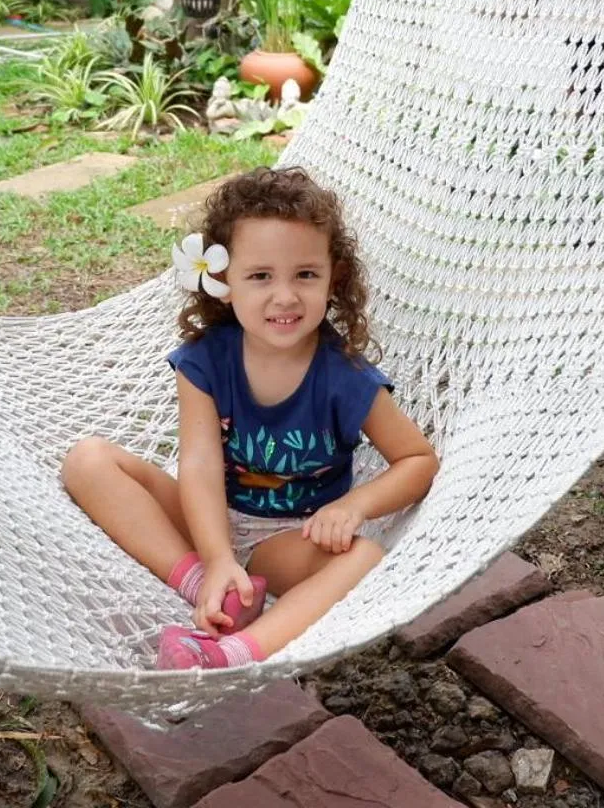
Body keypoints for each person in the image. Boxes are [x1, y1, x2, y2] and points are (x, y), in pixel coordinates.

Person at [61, 167, 439, 669]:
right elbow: (198, 463)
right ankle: (211, 586)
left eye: (305, 275)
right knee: (88, 460)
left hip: (289, 539)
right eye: (261, 276)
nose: (285, 296)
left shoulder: (346, 379)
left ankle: (232, 651)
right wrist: (217, 558)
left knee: (366, 557)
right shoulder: (205, 361)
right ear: (224, 282)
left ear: (334, 278)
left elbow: (417, 460)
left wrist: (356, 506)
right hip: (205, 516)